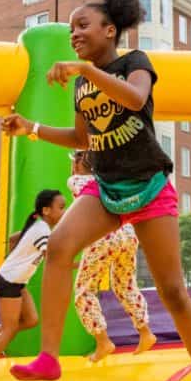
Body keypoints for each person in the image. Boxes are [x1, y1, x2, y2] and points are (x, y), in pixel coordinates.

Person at [1, 0, 191, 381]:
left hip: (148, 186)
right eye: (70, 29)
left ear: (110, 30)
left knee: (173, 290)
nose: (74, 33)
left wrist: (87, 72)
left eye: (82, 25)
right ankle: (49, 357)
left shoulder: (134, 63)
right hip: (106, 188)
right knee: (58, 247)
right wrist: (30, 127)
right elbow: (80, 138)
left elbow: (135, 98)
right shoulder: (82, 86)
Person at [68, 149, 157, 362]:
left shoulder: (77, 181)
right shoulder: (113, 180)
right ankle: (145, 332)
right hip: (127, 234)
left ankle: (103, 341)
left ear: (81, 162)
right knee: (125, 285)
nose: (72, 166)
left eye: (75, 161)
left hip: (102, 237)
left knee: (84, 290)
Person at [0, 189, 66, 360]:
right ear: (46, 210)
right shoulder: (42, 230)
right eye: (61, 207)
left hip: (17, 281)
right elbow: (53, 259)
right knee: (10, 329)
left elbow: (13, 238)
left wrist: (16, 256)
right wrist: (80, 264)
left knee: (30, 320)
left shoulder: (38, 226)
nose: (64, 212)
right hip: (9, 281)